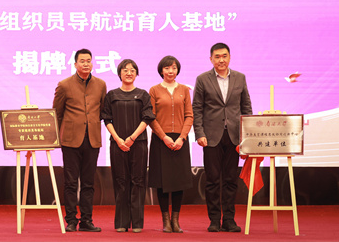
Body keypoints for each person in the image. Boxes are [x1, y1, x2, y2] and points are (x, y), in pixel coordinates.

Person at [192, 42, 253, 233]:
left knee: (230, 179)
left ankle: (229, 219)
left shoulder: (240, 78)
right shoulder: (203, 79)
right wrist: (199, 133)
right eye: (217, 57)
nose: (221, 60)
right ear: (211, 59)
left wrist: (247, 136)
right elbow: (197, 108)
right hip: (211, 136)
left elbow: (246, 107)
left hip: (234, 136)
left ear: (230, 57)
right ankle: (214, 220)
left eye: (224, 56)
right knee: (212, 180)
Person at [52, 49, 106, 232]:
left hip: (92, 139)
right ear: (75, 64)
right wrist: (57, 137)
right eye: (82, 61)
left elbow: (102, 111)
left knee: (88, 183)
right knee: (71, 183)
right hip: (70, 141)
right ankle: (70, 220)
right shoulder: (64, 85)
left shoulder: (101, 84)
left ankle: (86, 220)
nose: (86, 64)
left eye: (88, 60)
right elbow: (57, 113)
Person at [101, 59, 155, 233]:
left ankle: (137, 223)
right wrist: (118, 139)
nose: (129, 73)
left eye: (132, 70)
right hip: (117, 144)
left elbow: (147, 118)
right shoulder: (111, 95)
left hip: (138, 144)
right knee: (120, 181)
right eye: (125, 70)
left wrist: (132, 138)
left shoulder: (143, 95)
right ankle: (121, 222)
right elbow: (107, 119)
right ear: (119, 73)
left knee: (138, 181)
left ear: (137, 74)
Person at [147, 55, 194, 233]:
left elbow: (189, 115)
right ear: (161, 70)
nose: (170, 71)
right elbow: (151, 117)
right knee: (162, 182)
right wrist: (164, 137)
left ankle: (176, 220)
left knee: (178, 181)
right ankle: (165, 221)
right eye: (167, 68)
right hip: (161, 140)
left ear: (177, 70)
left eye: (173, 68)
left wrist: (182, 137)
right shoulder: (154, 90)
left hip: (180, 140)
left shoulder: (184, 90)